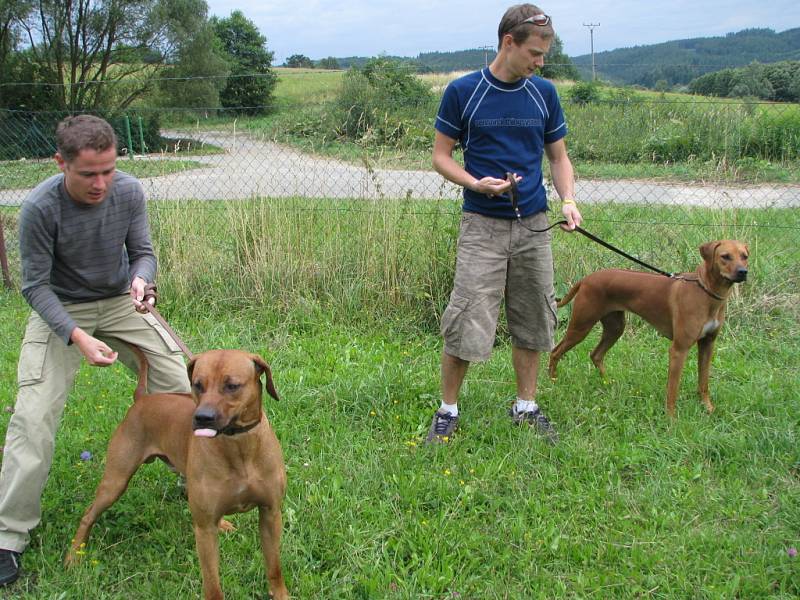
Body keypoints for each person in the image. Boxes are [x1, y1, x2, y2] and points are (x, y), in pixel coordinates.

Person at [0, 114, 190, 586]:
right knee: (34, 413)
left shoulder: (127, 191)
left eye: (109, 169)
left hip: (120, 302)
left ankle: (199, 478)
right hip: (61, 308)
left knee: (184, 387)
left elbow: (143, 250)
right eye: (89, 173)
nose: (102, 183)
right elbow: (34, 287)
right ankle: (8, 536)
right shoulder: (41, 209)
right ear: (60, 162)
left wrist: (143, 279)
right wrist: (76, 335)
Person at [426, 4, 583, 444]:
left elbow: (558, 157)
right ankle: (448, 410)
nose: (539, 62)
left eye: (544, 55)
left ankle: (526, 406)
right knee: (467, 316)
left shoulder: (544, 93)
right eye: (534, 53)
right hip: (482, 226)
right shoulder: (464, 91)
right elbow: (441, 157)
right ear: (507, 42)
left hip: (534, 225)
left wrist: (568, 200)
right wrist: (477, 183)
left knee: (535, 315)